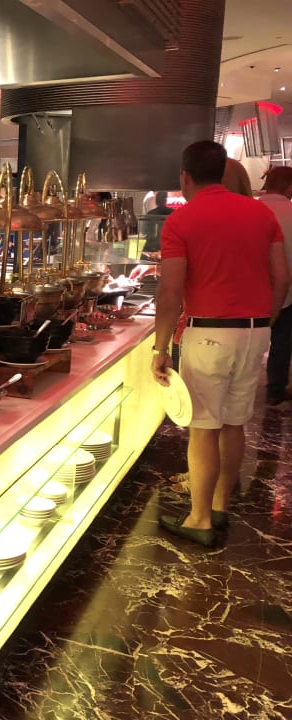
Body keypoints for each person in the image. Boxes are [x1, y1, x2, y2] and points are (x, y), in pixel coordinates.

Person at [151, 140, 289, 547]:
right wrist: (266, 320)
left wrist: (160, 348)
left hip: (209, 333)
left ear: (185, 177)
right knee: (233, 423)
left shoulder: (181, 221)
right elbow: (282, 277)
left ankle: (199, 520)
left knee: (203, 428)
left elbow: (170, 291)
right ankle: (220, 505)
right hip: (255, 331)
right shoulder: (261, 213)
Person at [259, 166, 292, 407]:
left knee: (249, 341)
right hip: (287, 293)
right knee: (282, 341)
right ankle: (275, 389)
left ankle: (238, 386)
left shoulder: (248, 210)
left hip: (249, 292)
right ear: (289, 189)